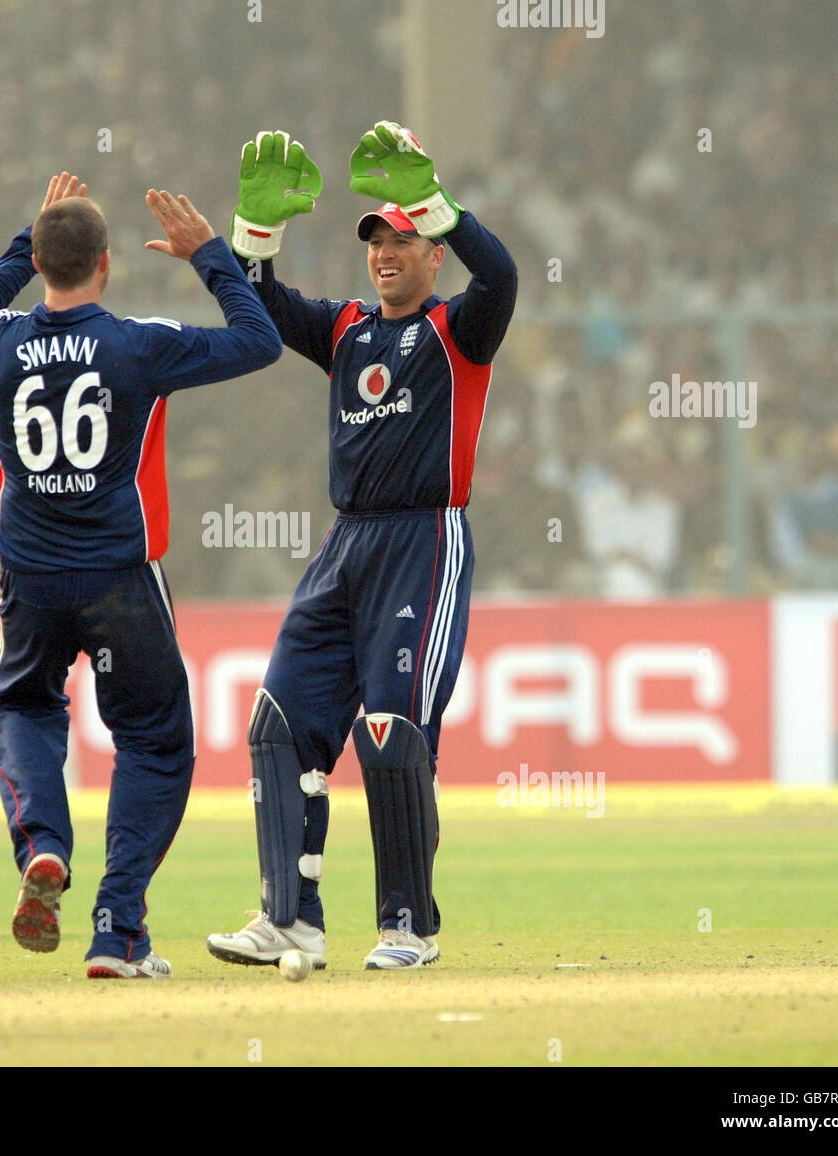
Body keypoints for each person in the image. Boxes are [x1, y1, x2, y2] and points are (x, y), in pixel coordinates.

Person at [0, 173, 280, 978]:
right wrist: (211, 256)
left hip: (28, 574)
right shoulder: (140, 343)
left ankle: (45, 846)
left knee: (26, 704)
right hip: (120, 577)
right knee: (157, 743)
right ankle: (118, 927)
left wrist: (21, 248)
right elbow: (260, 339)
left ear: (39, 259)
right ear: (106, 264)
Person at [206, 124, 516, 970]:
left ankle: (409, 927)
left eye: (402, 239)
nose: (385, 252)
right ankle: (289, 918)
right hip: (345, 545)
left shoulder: (462, 330)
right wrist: (254, 237)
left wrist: (440, 206)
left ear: (433, 256)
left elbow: (505, 273)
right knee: (279, 723)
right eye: (376, 239)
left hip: (424, 541)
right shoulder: (344, 329)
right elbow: (260, 307)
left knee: (391, 731)